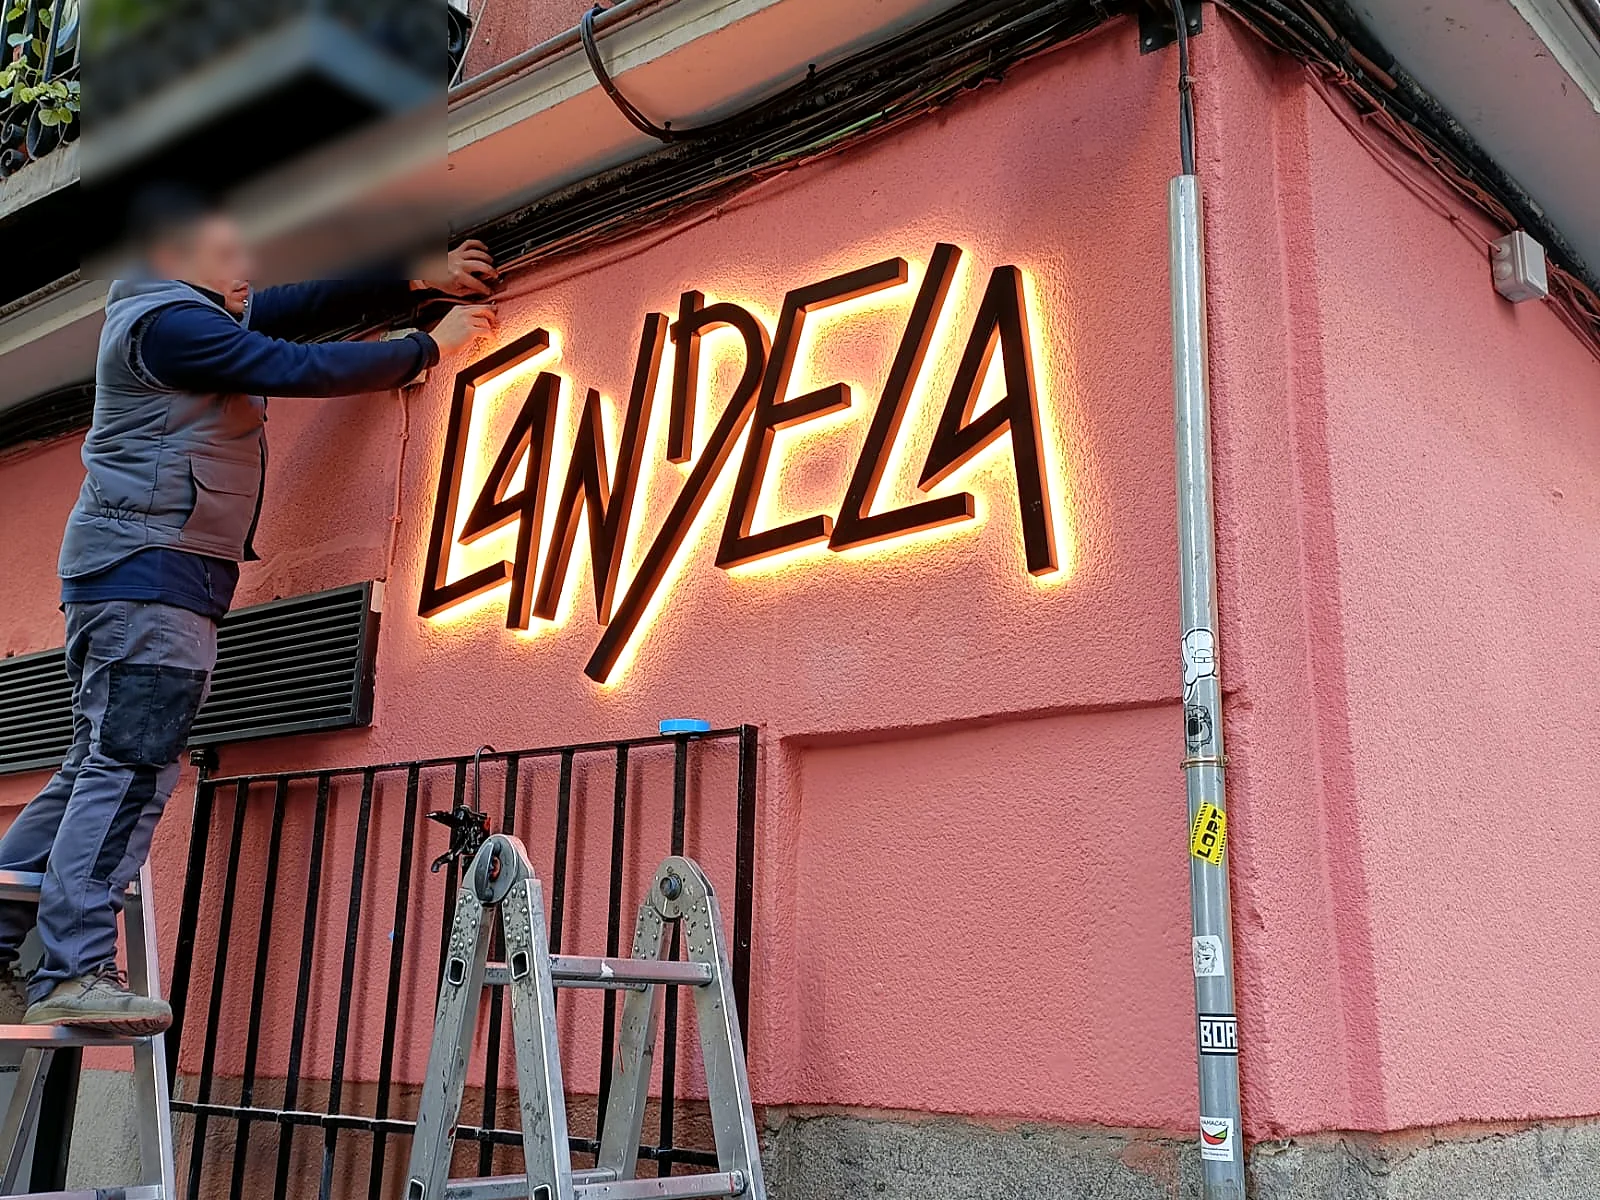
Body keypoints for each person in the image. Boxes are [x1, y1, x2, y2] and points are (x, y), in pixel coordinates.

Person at [0, 191, 500, 1033]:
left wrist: (415, 277)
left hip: (138, 576)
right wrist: (428, 347)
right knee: (132, 769)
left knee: (96, 765)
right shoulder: (172, 326)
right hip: (152, 578)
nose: (247, 270)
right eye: (228, 253)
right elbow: (293, 366)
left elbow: (294, 306)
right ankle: (74, 969)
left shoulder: (178, 309)